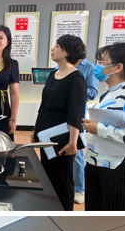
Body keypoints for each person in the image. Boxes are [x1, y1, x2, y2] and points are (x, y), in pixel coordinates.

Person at [82, 42, 125, 211]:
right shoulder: (109, 92)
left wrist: (99, 128)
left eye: (102, 62)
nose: (98, 66)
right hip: (96, 165)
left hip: (121, 169)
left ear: (118, 67)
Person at [32, 34, 87, 211]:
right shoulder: (52, 74)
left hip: (62, 135)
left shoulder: (76, 78)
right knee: (47, 174)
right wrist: (35, 129)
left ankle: (64, 211)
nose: (52, 49)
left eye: (57, 46)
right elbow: (43, 104)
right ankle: (48, 209)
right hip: (45, 132)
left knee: (62, 177)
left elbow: (76, 112)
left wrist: (73, 143)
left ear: (67, 52)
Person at [73, 56, 99, 205]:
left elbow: (93, 93)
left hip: (77, 115)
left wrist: (74, 87)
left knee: (77, 153)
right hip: (59, 114)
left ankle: (80, 189)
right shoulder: (60, 66)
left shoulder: (89, 68)